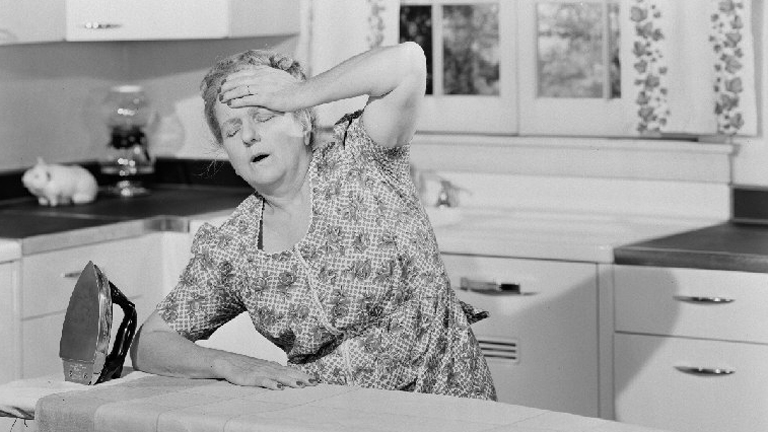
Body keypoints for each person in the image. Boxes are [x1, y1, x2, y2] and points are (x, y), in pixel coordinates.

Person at [130, 42, 497, 400]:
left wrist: (296, 94)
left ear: (304, 123)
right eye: (232, 130)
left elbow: (408, 62)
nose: (249, 135)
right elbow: (150, 342)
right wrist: (230, 364)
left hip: (449, 407)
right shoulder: (233, 247)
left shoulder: (361, 160)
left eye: (265, 116)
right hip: (333, 418)